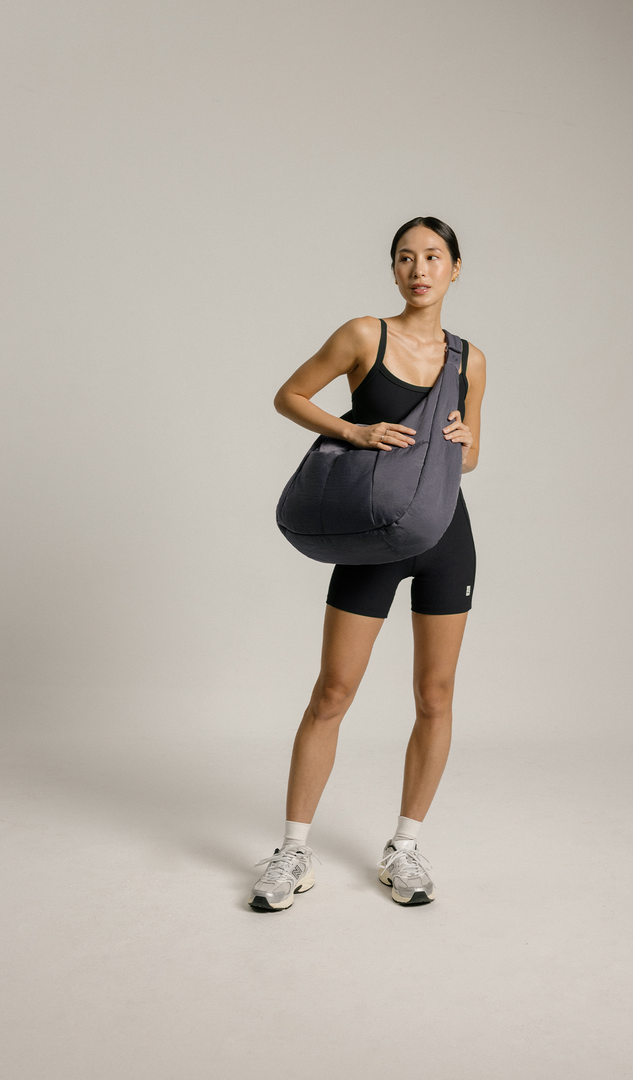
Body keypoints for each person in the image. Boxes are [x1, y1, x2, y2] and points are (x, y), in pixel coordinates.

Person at [249, 216, 486, 910]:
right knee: (333, 691)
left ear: (455, 268)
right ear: (394, 270)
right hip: (373, 538)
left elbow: (471, 457)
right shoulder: (363, 335)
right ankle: (292, 850)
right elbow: (289, 395)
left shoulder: (471, 360)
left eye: (433, 257)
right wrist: (354, 431)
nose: (420, 269)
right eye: (406, 257)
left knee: (435, 695)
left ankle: (404, 848)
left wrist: (464, 441)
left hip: (445, 535)